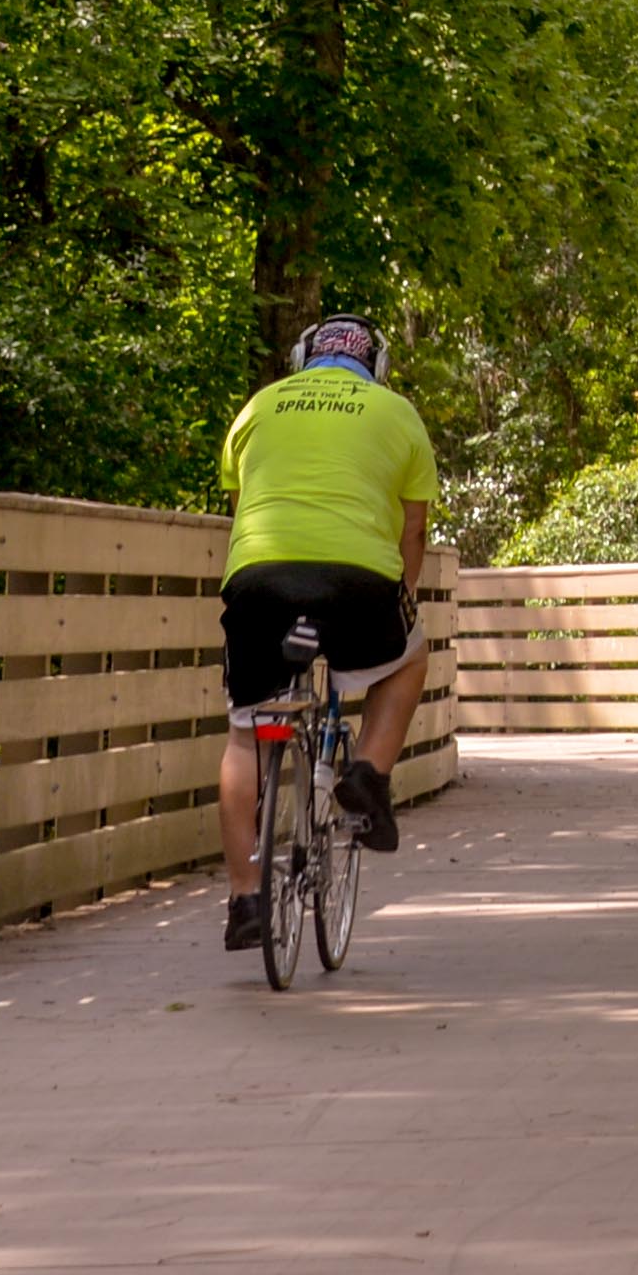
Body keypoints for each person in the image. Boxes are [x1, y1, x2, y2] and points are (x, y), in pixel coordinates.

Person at [215, 311, 434, 954]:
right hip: (357, 583)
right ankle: (367, 772)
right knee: (407, 660)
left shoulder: (258, 408)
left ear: (303, 359)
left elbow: (242, 510)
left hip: (260, 579)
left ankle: (245, 899)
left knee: (243, 732)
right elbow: (412, 533)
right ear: (375, 365)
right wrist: (405, 600)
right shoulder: (397, 413)